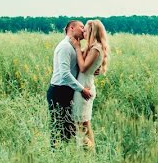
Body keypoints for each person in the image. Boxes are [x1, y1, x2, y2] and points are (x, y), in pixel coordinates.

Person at [46, 20, 92, 148]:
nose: (84, 30)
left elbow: (80, 67)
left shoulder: (73, 46)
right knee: (59, 128)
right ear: (71, 28)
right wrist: (82, 90)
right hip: (59, 92)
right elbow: (65, 74)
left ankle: (64, 155)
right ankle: (56, 157)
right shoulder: (65, 47)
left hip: (67, 91)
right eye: (81, 27)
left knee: (68, 129)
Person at [72, 19, 110, 150]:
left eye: (86, 30)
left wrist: (77, 48)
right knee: (84, 124)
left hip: (84, 88)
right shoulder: (91, 47)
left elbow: (82, 68)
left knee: (81, 124)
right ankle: (90, 152)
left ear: (92, 32)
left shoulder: (96, 48)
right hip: (84, 85)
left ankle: (88, 152)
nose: (83, 32)